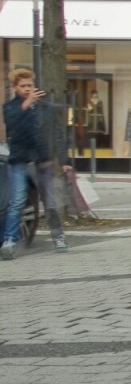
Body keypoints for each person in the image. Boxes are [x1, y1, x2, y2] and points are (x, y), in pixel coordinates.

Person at [2, 68, 68, 258]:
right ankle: (9, 241)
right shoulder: (10, 107)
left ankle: (58, 237)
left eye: (30, 85)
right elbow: (12, 124)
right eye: (23, 86)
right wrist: (26, 105)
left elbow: (57, 134)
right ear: (15, 88)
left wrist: (63, 160)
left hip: (42, 162)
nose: (27, 89)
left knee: (50, 202)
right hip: (19, 161)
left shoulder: (45, 108)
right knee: (17, 201)